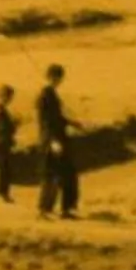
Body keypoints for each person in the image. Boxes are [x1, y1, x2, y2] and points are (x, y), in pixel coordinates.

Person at [35, 63, 79, 220]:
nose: (58, 81)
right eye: (56, 77)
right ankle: (43, 210)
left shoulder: (52, 94)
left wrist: (73, 123)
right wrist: (53, 141)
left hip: (59, 139)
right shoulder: (44, 96)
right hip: (51, 141)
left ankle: (66, 209)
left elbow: (57, 118)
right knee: (51, 175)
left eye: (59, 78)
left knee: (68, 173)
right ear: (50, 77)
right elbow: (46, 122)